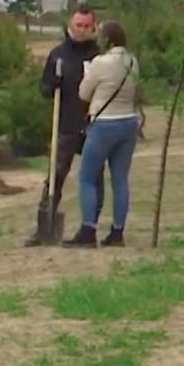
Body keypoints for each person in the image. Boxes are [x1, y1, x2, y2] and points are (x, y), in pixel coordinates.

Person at [30, 9, 104, 245]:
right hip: (65, 125)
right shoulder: (58, 55)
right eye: (78, 25)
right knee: (56, 176)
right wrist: (54, 83)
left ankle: (89, 228)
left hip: (94, 125)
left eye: (86, 26)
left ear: (93, 27)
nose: (81, 30)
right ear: (70, 25)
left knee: (94, 178)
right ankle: (44, 227)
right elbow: (44, 89)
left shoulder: (99, 56)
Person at [68, 20, 141, 248]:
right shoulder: (132, 61)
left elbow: (83, 93)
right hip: (128, 122)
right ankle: (117, 231)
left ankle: (88, 230)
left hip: (104, 123)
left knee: (87, 177)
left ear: (107, 40)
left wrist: (89, 74)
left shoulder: (100, 62)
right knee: (120, 179)